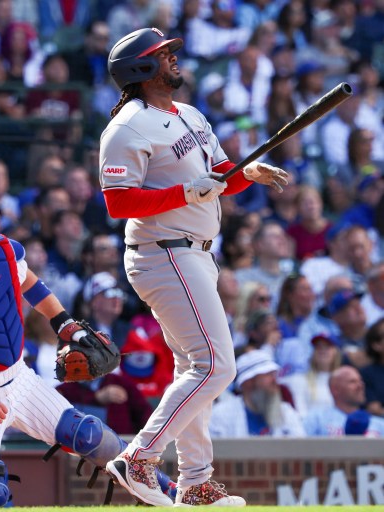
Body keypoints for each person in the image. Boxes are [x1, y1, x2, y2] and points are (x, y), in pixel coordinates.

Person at [99, 28, 289, 507]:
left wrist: (244, 175)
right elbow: (118, 203)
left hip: (196, 251)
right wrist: (187, 192)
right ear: (141, 70)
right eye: (163, 55)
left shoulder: (190, 114)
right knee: (217, 365)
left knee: (195, 366)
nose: (173, 59)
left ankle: (195, 483)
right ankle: (139, 457)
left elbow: (217, 181)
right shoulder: (127, 125)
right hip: (163, 250)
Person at [0, 178, 179, 508]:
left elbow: (33, 287)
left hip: (18, 377)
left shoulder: (1, 249)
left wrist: (67, 326)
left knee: (89, 435)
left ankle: (167, 489)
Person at [209, 350, 305, 437]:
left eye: (274, 374)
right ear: (248, 382)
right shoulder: (221, 415)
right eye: (268, 374)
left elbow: (301, 451)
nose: (275, 380)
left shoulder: (287, 413)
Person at [303, 365, 384, 437]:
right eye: (352, 382)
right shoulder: (316, 418)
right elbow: (300, 448)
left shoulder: (378, 423)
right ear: (335, 389)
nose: (360, 385)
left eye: (360, 381)